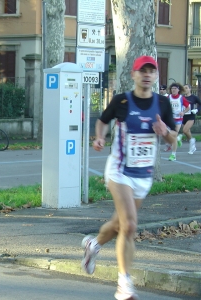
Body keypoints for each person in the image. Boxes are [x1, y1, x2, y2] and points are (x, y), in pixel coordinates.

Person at [82, 56, 177, 300]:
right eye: (142, 71)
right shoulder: (121, 101)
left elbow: (174, 140)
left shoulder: (163, 104)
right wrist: (100, 137)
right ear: (133, 74)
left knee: (119, 225)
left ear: (156, 77)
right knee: (131, 225)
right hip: (119, 171)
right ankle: (124, 284)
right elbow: (102, 121)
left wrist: (164, 132)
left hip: (143, 176)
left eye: (151, 71)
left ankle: (93, 246)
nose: (147, 75)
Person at [165, 83, 190, 161]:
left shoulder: (181, 98)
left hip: (178, 119)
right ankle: (178, 139)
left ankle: (173, 155)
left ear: (178, 90)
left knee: (174, 136)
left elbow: (188, 107)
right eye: (172, 88)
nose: (173, 90)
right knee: (167, 133)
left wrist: (183, 112)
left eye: (175, 88)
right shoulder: (168, 97)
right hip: (169, 119)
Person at [182, 84, 201, 154]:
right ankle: (192, 146)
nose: (185, 90)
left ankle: (192, 141)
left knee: (184, 130)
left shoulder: (194, 97)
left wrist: (197, 110)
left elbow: (200, 104)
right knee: (186, 132)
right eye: (184, 88)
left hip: (191, 116)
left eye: (186, 88)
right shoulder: (182, 97)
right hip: (184, 116)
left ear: (190, 89)